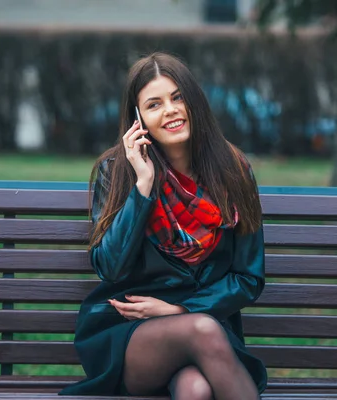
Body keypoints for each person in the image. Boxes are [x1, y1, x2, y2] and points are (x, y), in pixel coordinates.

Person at [59, 52, 267, 399]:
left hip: (204, 325)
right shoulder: (119, 172)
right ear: (138, 119)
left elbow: (248, 278)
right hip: (129, 333)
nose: (170, 110)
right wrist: (143, 186)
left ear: (195, 103)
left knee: (195, 390)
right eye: (154, 104)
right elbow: (109, 268)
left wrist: (179, 309)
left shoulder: (233, 172)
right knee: (201, 330)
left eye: (177, 97)